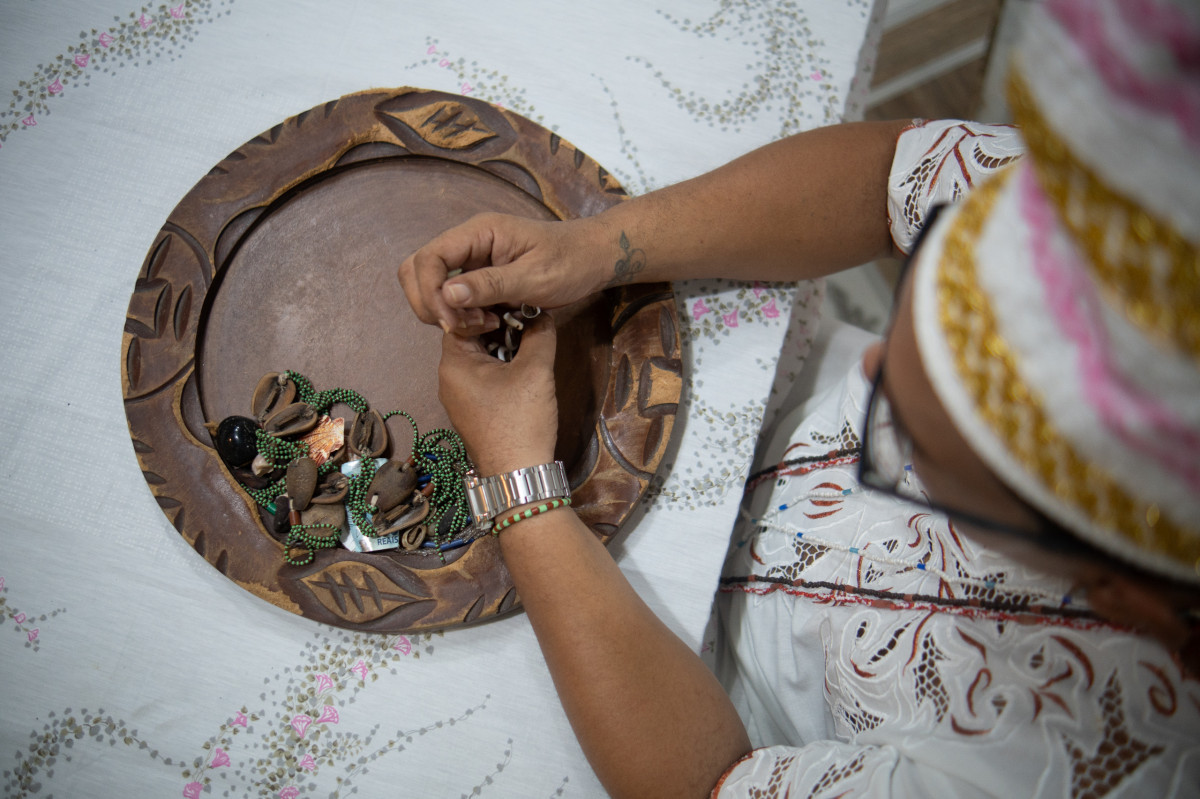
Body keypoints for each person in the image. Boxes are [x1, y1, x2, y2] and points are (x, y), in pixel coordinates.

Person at [398, 0, 1200, 795]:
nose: (876, 365)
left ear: (1115, 593)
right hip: (754, 387)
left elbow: (709, 781)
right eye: (911, 322)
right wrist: (600, 245)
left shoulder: (1049, 774)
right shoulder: (1148, 229)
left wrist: (517, 480)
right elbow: (891, 177)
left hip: (671, 682)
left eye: (906, 432)